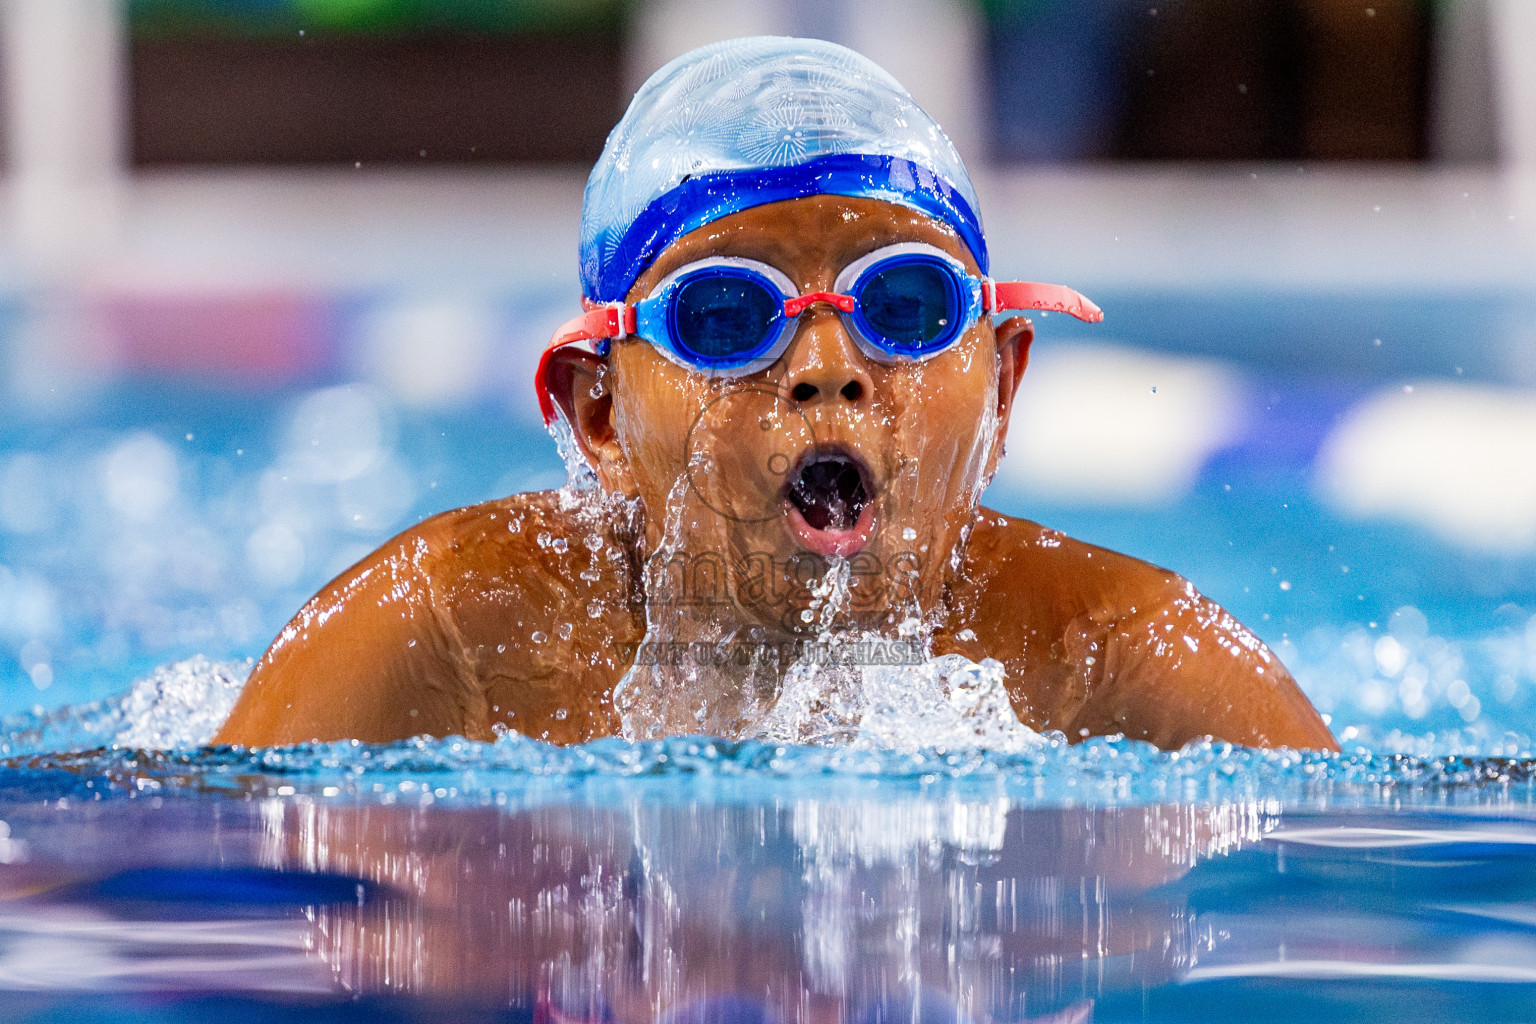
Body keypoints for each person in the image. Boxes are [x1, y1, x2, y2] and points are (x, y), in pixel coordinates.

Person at [214, 37, 1336, 752]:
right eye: (724, 317)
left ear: (1001, 383)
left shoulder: (1125, 667)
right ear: (599, 414)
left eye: (904, 303)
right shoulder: (440, 642)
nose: (825, 368)